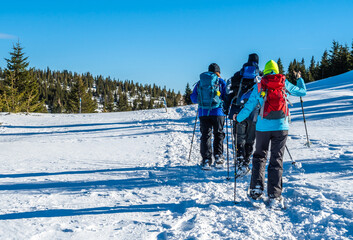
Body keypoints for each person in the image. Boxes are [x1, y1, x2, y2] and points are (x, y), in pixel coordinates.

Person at [233, 60, 307, 208]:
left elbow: (249, 106)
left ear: (265, 71)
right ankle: (275, 195)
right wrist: (299, 78)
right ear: (277, 70)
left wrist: (238, 117)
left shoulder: (260, 85)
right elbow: (302, 92)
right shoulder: (283, 82)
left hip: (263, 127)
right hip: (281, 126)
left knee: (260, 156)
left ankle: (256, 190)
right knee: (276, 159)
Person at [223, 53, 260, 176]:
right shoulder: (260, 76)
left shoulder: (238, 75)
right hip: (254, 112)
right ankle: (246, 162)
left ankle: (239, 162)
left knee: (239, 138)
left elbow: (229, 94)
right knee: (250, 138)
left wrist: (226, 108)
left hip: (238, 111)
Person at [190, 63, 227, 170]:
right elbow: (226, 96)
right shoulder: (220, 82)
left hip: (203, 112)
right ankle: (218, 156)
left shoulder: (200, 82)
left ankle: (206, 160)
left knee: (205, 135)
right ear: (218, 72)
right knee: (218, 134)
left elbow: (193, 98)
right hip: (218, 112)